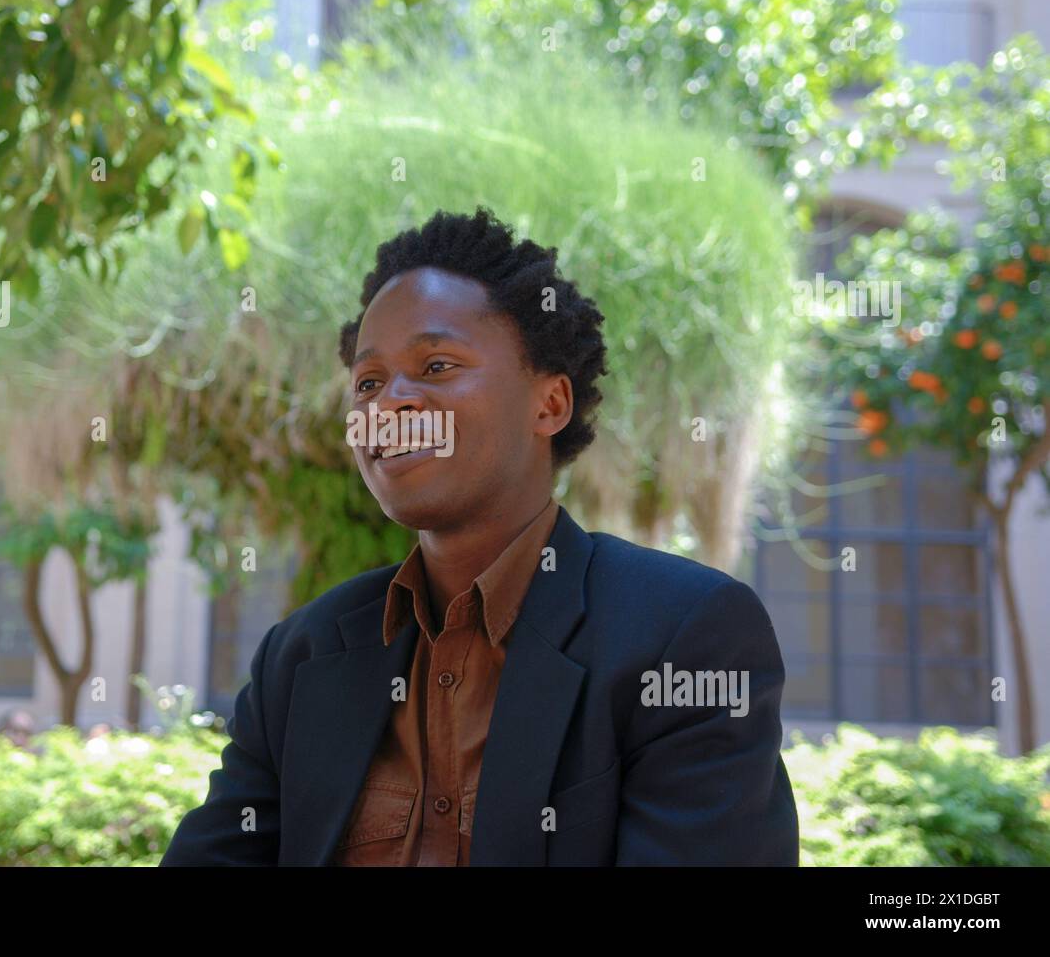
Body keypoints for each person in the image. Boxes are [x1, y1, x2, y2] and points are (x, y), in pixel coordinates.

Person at [161, 206, 798, 866]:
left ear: (549, 404)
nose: (389, 404)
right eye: (369, 382)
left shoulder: (685, 638)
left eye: (436, 365)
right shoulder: (301, 659)